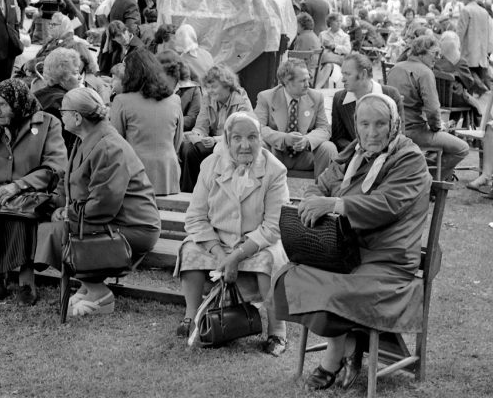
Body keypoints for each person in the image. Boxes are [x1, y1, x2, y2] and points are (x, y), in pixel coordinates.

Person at [272, 93, 432, 390]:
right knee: (288, 273)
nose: (372, 132)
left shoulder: (410, 159)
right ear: (356, 125)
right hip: (345, 252)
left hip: (387, 261)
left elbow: (387, 205)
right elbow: (320, 185)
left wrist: (333, 205)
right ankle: (348, 343)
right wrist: (311, 202)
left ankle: (334, 355)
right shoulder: (352, 153)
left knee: (329, 286)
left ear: (394, 124)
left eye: (380, 124)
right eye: (365, 123)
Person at [36, 87, 161, 316]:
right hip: (107, 218)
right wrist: (62, 206)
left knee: (55, 232)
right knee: (52, 226)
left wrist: (68, 214)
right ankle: (88, 286)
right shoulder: (85, 138)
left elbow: (104, 203)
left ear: (77, 117)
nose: (60, 115)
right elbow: (69, 181)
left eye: (63, 111)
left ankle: (99, 293)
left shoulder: (108, 145)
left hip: (132, 226)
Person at [176, 111, 290, 356]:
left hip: (257, 243)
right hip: (217, 241)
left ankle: (277, 330)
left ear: (261, 139)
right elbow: (195, 217)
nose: (244, 144)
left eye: (252, 137)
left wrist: (237, 255)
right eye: (236, 138)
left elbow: (273, 226)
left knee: (270, 260)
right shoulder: (210, 165)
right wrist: (219, 254)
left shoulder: (274, 170)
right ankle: (191, 317)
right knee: (189, 249)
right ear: (226, 140)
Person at [0, 79, 68, 306]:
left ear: (19, 103)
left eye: (3, 104)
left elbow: (56, 166)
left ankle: (25, 276)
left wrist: (18, 185)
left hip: (31, 187)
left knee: (21, 211)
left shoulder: (48, 123)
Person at [387, 35, 469, 181]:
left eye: (439, 54)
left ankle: (419, 171)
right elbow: (432, 110)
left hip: (393, 130)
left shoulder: (395, 68)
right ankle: (427, 181)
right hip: (414, 132)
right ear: (421, 53)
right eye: (435, 53)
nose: (438, 58)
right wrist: (437, 127)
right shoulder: (425, 72)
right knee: (462, 148)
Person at [111, 48, 183, 195]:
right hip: (168, 175)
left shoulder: (122, 101)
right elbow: (177, 140)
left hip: (135, 176)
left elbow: (116, 143)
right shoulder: (175, 100)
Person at [254, 58, 337, 178]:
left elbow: (324, 128)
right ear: (287, 81)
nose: (308, 85)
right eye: (303, 81)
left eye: (308, 79)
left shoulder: (316, 97)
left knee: (329, 148)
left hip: (306, 155)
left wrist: (307, 140)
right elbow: (257, 128)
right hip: (275, 154)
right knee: (257, 145)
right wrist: (284, 139)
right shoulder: (266, 97)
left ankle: (321, 191)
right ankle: (260, 191)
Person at [180, 64, 253, 192]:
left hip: (233, 145)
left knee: (219, 151)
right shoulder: (208, 98)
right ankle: (190, 192)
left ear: (227, 85)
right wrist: (195, 135)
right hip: (212, 142)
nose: (210, 91)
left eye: (214, 87)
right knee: (188, 147)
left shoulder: (241, 98)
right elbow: (201, 127)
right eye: (208, 87)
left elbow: (240, 132)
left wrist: (215, 140)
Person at [332, 53, 404, 152]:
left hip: (388, 156)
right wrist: (360, 150)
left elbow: (399, 134)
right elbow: (339, 138)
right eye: (342, 74)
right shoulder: (339, 98)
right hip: (355, 157)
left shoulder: (390, 94)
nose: (343, 79)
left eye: (347, 74)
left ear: (363, 74)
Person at [33, 47, 83, 154]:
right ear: (63, 76)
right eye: (75, 73)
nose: (80, 77)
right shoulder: (66, 103)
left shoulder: (36, 95)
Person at [457, 0, 493, 88]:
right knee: (479, 70)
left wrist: (457, 45)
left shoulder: (466, 10)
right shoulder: (484, 11)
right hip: (482, 47)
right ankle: (483, 85)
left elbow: (461, 31)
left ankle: (479, 86)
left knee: (466, 70)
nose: (462, 1)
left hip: (469, 46)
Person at [157, 50, 202, 131]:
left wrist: (168, 122)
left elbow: (192, 119)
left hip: (180, 132)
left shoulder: (193, 89)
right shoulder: (152, 87)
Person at [317, 13, 351, 88]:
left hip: (338, 62)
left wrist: (334, 47)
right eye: (336, 21)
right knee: (325, 67)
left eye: (340, 21)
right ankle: (321, 89)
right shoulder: (323, 34)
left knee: (328, 66)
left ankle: (318, 87)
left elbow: (348, 50)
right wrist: (323, 47)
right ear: (330, 22)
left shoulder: (344, 36)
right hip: (323, 61)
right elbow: (318, 49)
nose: (339, 23)